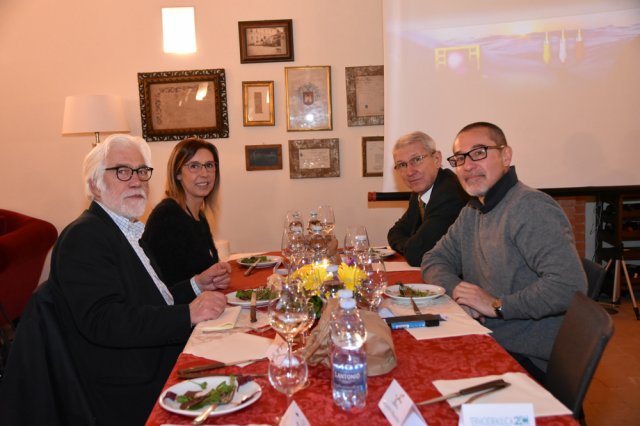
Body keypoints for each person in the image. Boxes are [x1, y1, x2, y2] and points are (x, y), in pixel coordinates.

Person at [0, 134, 230, 425]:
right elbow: (106, 321)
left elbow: (151, 300)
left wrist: (195, 286)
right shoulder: (84, 236)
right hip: (132, 385)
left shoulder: (126, 230)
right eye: (122, 171)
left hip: (152, 357)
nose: (136, 181)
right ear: (95, 184)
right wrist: (188, 314)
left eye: (141, 171)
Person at [421, 122, 587, 381]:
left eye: (479, 153)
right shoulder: (473, 210)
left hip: (526, 358)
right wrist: (460, 292)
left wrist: (497, 306)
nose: (468, 166)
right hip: (487, 338)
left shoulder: (530, 208)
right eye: (460, 158)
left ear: (506, 156)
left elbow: (569, 286)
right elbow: (433, 258)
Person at [141, 137, 228, 287]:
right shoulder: (166, 217)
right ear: (178, 173)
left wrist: (216, 277)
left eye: (209, 165)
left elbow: (202, 272)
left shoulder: (199, 216)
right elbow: (162, 289)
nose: (204, 173)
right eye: (194, 166)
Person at [387, 131, 469, 266]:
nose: (409, 172)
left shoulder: (450, 194)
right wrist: (410, 245)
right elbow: (394, 232)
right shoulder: (420, 191)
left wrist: (410, 246)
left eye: (416, 160)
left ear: (436, 159)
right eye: (402, 165)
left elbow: (417, 255)